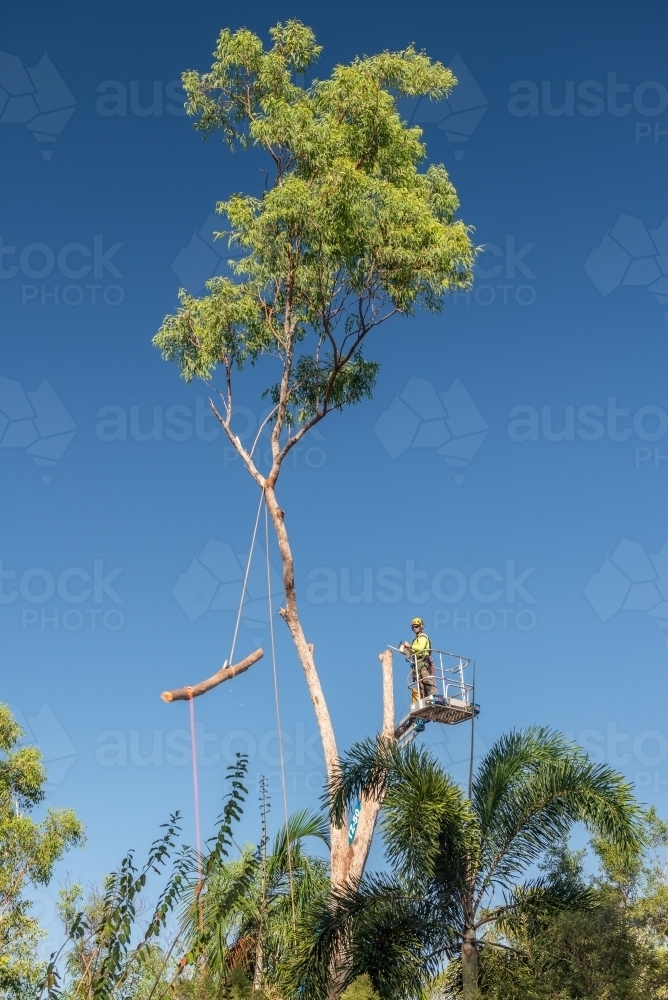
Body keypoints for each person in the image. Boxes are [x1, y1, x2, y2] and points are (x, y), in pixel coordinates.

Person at [400, 617, 437, 699]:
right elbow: (413, 653)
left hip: (423, 661)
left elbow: (420, 647)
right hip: (417, 663)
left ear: (421, 626)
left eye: (416, 626)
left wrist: (410, 646)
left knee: (426, 678)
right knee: (419, 683)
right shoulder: (415, 640)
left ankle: (434, 694)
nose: (414, 629)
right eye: (413, 627)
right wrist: (404, 650)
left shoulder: (423, 636)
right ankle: (424, 697)